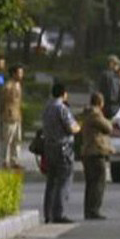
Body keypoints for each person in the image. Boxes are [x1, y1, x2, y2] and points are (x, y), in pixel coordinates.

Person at [41, 82, 81, 224]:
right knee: (64, 181)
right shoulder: (62, 108)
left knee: (51, 182)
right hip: (63, 148)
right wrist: (78, 127)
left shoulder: (47, 108)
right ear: (64, 93)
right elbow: (71, 128)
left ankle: (48, 213)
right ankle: (59, 213)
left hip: (49, 148)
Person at [79, 92, 113, 220]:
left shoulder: (87, 113)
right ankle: (94, 210)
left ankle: (89, 210)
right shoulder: (95, 114)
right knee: (98, 182)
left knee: (90, 183)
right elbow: (108, 127)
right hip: (95, 151)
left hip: (88, 152)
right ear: (100, 103)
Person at [0, 64, 25, 170]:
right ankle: (5, 161)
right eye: (19, 73)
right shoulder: (8, 86)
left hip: (17, 116)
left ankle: (15, 161)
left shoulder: (18, 85)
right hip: (9, 116)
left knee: (17, 139)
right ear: (14, 74)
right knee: (7, 139)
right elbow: (2, 100)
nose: (21, 75)